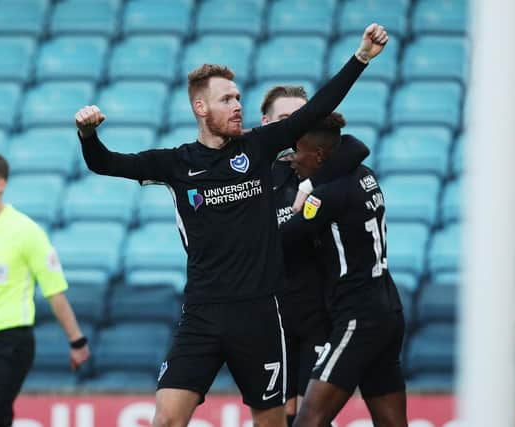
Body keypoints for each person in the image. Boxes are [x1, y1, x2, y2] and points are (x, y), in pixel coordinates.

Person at [74, 23, 388, 427]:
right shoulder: (175, 163)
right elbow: (106, 163)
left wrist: (360, 57)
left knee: (271, 423)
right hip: (201, 314)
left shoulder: (258, 147)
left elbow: (315, 110)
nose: (237, 105)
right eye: (226, 99)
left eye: (238, 97)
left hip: (259, 313)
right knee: (166, 420)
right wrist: (87, 135)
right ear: (201, 109)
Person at [279, 114, 407, 427]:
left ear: (320, 155)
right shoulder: (366, 175)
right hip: (387, 307)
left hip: (357, 317)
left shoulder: (327, 196)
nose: (292, 160)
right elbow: (353, 151)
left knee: (309, 420)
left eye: (297, 151)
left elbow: (282, 238)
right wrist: (311, 183)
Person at [260, 86, 369, 426]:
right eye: (284, 120)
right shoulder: (253, 170)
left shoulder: (319, 164)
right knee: (277, 418)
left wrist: (310, 185)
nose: (293, 128)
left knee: (311, 418)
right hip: (269, 321)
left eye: (301, 119)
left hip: (317, 317)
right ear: (266, 123)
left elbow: (356, 147)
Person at [0, 155, 90, 427]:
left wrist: (77, 341)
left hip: (10, 338)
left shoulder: (26, 231)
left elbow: (54, 290)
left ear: (0, 183)